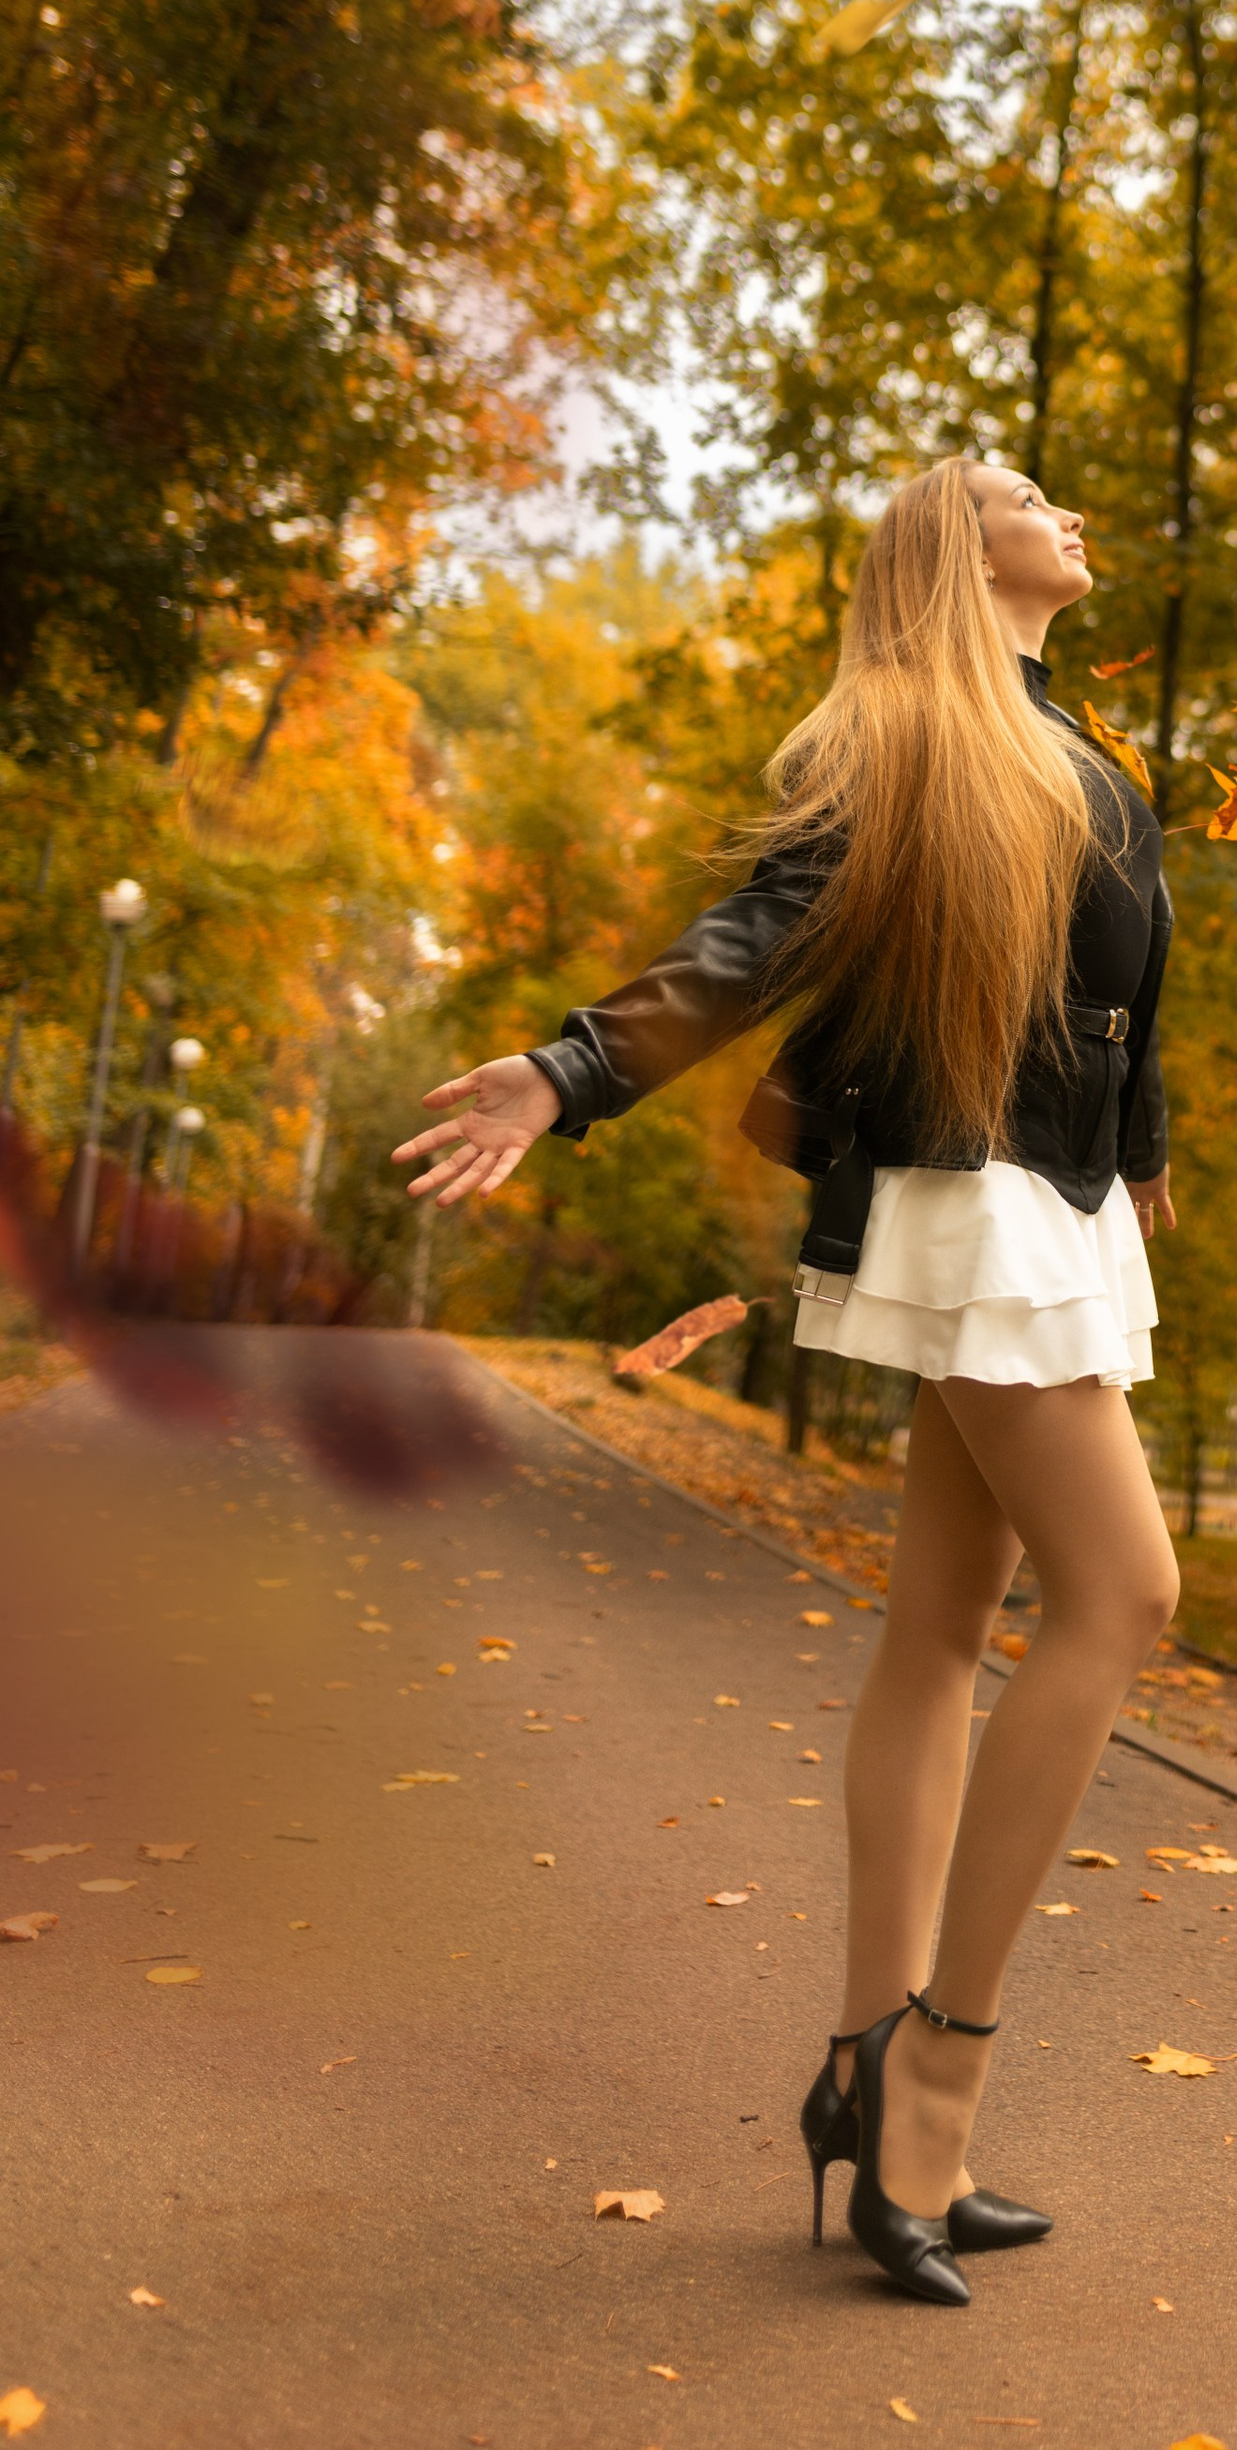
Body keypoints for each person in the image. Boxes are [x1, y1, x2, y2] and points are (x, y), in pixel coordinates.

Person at [394, 458, 1179, 2307]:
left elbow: (1131, 997)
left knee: (939, 1620)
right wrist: (568, 1070)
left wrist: (1143, 1142)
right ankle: (936, 2074)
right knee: (1126, 1590)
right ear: (950, 546)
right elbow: (768, 933)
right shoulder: (919, 733)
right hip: (967, 1195)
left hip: (1049, 1202)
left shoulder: (1084, 750)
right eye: (1026, 491)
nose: (1069, 508)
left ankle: (858, 2069)